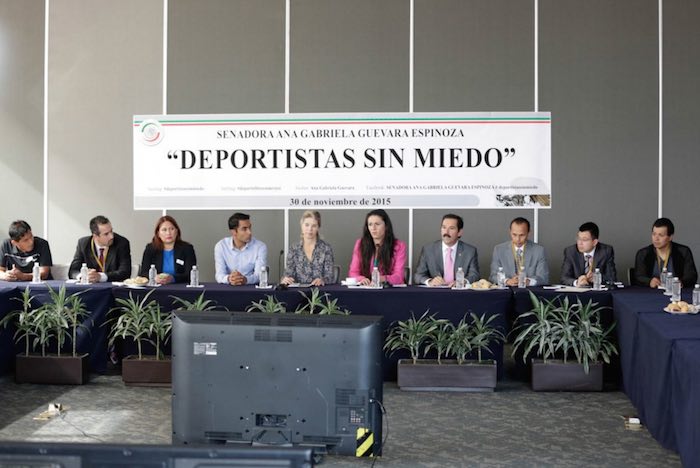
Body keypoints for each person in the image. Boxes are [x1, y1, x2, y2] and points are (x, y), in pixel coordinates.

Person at [414, 213, 479, 286]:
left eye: (451, 228)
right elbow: (418, 276)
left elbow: (475, 275)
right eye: (444, 227)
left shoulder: (470, 251)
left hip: (459, 293)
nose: (446, 232)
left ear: (459, 232)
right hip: (436, 293)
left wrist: (463, 281)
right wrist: (430, 281)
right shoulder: (428, 250)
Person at [348, 209, 407, 286]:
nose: (373, 228)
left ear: (386, 226)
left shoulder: (399, 246)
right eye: (370, 224)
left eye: (377, 224)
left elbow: (399, 277)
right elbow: (353, 272)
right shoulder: (360, 244)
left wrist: (382, 278)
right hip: (366, 289)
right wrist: (361, 279)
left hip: (388, 290)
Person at [633, 217, 697, 288]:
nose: (656, 238)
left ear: (670, 237)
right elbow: (638, 277)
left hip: (676, 293)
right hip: (651, 293)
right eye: (654, 234)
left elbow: (691, 276)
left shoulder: (683, 252)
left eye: (661, 235)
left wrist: (681, 282)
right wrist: (649, 281)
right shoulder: (643, 253)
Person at [69, 215, 131, 282]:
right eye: (106, 234)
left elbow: (125, 272)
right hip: (89, 288)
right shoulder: (83, 244)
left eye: (111, 231)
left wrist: (101, 277)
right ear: (95, 236)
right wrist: (83, 276)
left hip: (113, 289)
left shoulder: (121, 243)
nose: (111, 236)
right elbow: (73, 271)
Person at [280, 210, 335, 286]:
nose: (310, 229)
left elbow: (330, 276)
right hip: (298, 293)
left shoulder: (326, 248)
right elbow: (288, 274)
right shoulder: (294, 249)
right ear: (301, 226)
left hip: (320, 292)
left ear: (318, 228)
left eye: (314, 226)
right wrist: (285, 279)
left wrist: (322, 280)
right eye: (307, 225)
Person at [489, 217, 549, 286]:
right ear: (510, 232)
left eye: (522, 235)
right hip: (506, 293)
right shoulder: (499, 250)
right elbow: (492, 276)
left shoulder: (539, 251)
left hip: (529, 293)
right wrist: (507, 281)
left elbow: (544, 278)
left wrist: (529, 281)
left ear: (529, 232)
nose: (518, 239)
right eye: (514, 234)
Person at [138, 215, 197, 284]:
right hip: (156, 288)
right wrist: (154, 277)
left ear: (177, 231)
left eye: (171, 229)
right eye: (164, 230)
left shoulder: (187, 248)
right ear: (158, 233)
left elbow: (190, 274)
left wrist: (173, 278)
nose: (168, 233)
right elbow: (143, 272)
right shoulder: (151, 248)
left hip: (180, 288)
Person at [214, 212, 267, 285]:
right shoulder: (221, 246)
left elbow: (259, 276)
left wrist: (245, 280)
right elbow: (219, 275)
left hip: (251, 289)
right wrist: (230, 279)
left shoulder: (260, 247)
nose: (249, 232)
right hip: (229, 288)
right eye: (244, 229)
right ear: (234, 232)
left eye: (250, 227)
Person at [560, 222, 617, 286]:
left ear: (594, 242)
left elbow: (612, 278)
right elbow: (564, 278)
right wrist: (577, 282)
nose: (579, 243)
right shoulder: (570, 251)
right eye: (578, 238)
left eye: (584, 240)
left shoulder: (606, 251)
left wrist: (597, 278)